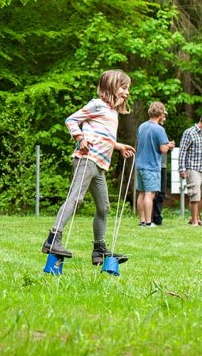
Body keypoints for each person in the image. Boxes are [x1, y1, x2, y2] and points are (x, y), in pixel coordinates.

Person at [41, 70, 136, 265]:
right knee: (75, 199)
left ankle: (99, 250)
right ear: (111, 86)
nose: (126, 92)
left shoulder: (112, 112)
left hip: (99, 166)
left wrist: (118, 146)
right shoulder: (97, 105)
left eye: (127, 89)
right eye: (123, 88)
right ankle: (53, 239)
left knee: (104, 207)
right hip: (87, 160)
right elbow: (71, 120)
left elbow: (103, 136)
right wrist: (80, 138)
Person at [135, 102, 175, 227]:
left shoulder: (142, 126)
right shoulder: (159, 129)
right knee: (150, 194)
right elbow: (163, 150)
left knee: (141, 193)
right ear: (160, 114)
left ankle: (141, 221)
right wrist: (169, 145)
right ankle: (148, 222)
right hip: (151, 166)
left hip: (140, 164)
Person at [177, 110, 202, 227]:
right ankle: (194, 221)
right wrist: (181, 169)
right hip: (192, 168)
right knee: (195, 195)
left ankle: (195, 217)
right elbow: (183, 151)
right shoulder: (189, 132)